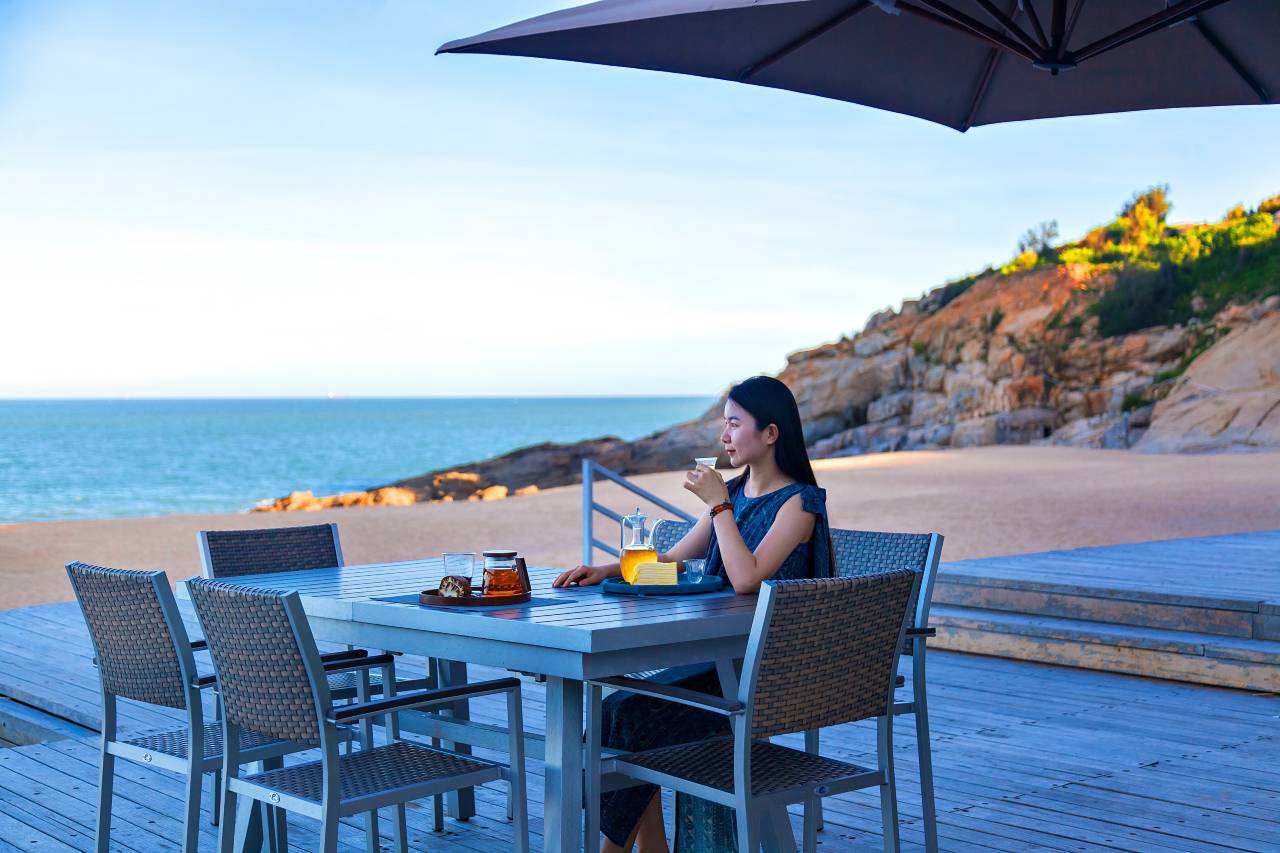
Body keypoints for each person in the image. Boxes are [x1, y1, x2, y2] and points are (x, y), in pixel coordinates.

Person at [553, 375, 834, 852]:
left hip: (761, 677)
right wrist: (605, 569)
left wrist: (719, 503)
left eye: (734, 425)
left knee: (627, 715)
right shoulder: (737, 494)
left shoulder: (799, 503)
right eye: (723, 425)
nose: (723, 437)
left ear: (770, 433)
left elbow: (748, 577)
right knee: (620, 712)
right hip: (717, 662)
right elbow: (670, 561)